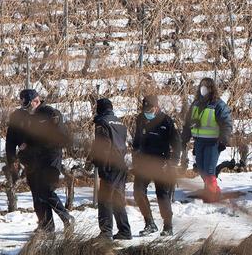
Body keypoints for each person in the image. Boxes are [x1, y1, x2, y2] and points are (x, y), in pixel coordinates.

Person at [6, 88, 74, 237]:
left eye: (29, 106)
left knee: (46, 190)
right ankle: (46, 225)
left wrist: (30, 144)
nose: (27, 110)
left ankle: (66, 217)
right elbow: (17, 138)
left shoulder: (50, 114)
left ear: (36, 101)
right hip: (32, 159)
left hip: (50, 157)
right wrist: (18, 154)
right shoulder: (23, 116)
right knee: (37, 193)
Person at [133, 94, 180, 236]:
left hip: (162, 163)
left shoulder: (167, 121)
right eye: (145, 109)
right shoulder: (141, 119)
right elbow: (137, 140)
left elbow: (177, 145)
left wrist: (173, 163)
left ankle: (168, 226)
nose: (147, 112)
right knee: (138, 192)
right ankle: (149, 223)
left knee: (162, 196)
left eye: (149, 109)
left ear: (156, 107)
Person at [182, 78, 233, 203]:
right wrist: (184, 138)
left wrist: (223, 140)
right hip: (199, 141)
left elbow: (226, 123)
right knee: (201, 168)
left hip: (213, 142)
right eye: (202, 86)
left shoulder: (218, 104)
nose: (203, 89)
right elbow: (188, 123)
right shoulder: (195, 104)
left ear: (211, 89)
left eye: (206, 87)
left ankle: (213, 194)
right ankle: (213, 190)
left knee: (209, 170)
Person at [90, 98, 131, 241]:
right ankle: (125, 231)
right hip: (121, 164)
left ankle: (106, 233)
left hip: (109, 164)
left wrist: (98, 161)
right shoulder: (120, 122)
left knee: (105, 200)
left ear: (99, 109)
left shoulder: (102, 122)